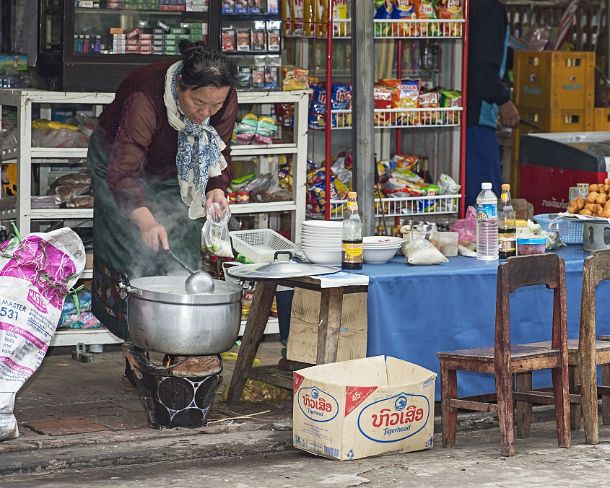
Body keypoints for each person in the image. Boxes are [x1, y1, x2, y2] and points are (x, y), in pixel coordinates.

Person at [88, 40, 238, 344]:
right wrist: (145, 221)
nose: (205, 113)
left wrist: (216, 189)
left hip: (177, 170)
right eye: (198, 103)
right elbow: (123, 172)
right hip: (118, 162)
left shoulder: (226, 95)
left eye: (215, 106)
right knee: (129, 248)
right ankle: (136, 346)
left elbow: (218, 151)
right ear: (181, 85)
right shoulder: (145, 97)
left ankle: (177, 338)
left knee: (181, 239)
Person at [466, 0, 519, 206]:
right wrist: (503, 100)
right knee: (484, 200)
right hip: (477, 117)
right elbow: (484, 69)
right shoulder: (490, 9)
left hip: (466, 112)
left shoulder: (473, 6)